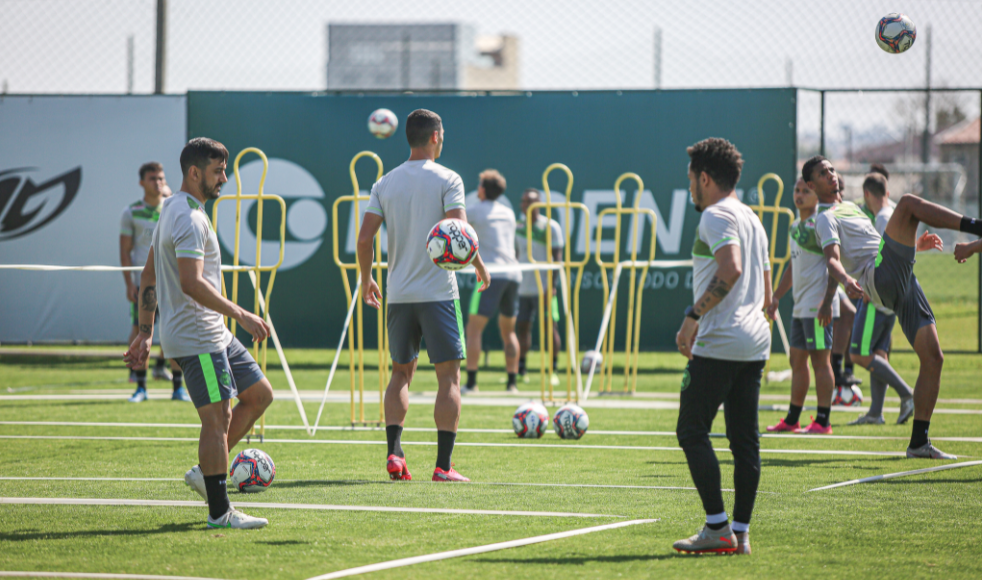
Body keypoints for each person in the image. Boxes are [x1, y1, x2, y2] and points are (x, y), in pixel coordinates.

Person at [125, 137, 274, 529]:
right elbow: (190, 283)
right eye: (217, 171)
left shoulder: (174, 208)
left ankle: (205, 472)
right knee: (217, 417)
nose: (224, 178)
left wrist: (145, 332)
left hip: (213, 333)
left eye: (224, 169)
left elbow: (149, 275)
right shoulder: (188, 218)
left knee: (259, 395)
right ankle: (220, 511)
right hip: (198, 336)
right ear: (195, 173)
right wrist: (242, 313)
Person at [805, 155, 970, 459]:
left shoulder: (852, 208)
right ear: (811, 185)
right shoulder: (825, 217)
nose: (830, 174)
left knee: (934, 358)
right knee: (907, 202)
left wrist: (911, 246)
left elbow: (876, 244)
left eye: (830, 169)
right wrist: (844, 280)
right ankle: (975, 226)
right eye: (822, 173)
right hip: (880, 278)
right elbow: (832, 259)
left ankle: (919, 442)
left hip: (899, 279)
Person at [358, 109, 491, 483]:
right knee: (448, 377)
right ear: (435, 137)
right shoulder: (449, 178)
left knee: (400, 373)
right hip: (437, 293)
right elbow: (459, 231)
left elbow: (365, 238)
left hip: (398, 294)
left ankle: (395, 456)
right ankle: (444, 467)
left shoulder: (385, 182)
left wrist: (367, 278)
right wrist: (479, 265)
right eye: (442, 133)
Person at [673, 138, 770, 555]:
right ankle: (741, 534)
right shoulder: (752, 218)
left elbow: (731, 269)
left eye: (692, 178)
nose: (690, 185)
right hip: (755, 342)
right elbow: (767, 294)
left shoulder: (715, 215)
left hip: (721, 340)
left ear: (705, 178)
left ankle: (717, 527)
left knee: (691, 431)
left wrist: (693, 316)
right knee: (744, 441)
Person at [766, 178, 838, 434]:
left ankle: (823, 421)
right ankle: (793, 418)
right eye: (796, 190)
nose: (799, 195)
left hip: (818, 305)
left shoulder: (822, 222)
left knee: (820, 361)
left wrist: (827, 302)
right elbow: (793, 266)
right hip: (800, 305)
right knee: (797, 360)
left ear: (817, 195)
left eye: (805, 191)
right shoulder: (796, 225)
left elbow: (834, 262)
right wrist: (776, 296)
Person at [849, 172, 915, 425]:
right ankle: (876, 412)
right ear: (886, 192)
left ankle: (907, 393)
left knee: (858, 353)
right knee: (878, 353)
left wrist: (867, 287)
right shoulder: (897, 213)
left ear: (867, 195)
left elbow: (880, 257)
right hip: (893, 297)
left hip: (876, 297)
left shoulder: (881, 219)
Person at [120, 162, 186, 402]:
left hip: (171, 285)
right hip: (144, 285)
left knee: (175, 331)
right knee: (139, 331)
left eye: (161, 178)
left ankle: (178, 388)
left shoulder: (172, 208)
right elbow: (125, 250)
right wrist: (129, 282)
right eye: (152, 179)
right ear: (141, 183)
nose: (158, 183)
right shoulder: (131, 212)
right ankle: (140, 388)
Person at [463, 170, 522, 394]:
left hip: (491, 274)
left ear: (484, 190)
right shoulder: (507, 212)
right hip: (514, 274)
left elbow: (456, 229)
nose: (477, 188)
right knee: (509, 331)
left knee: (474, 329)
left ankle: (470, 383)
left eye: (479, 185)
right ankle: (512, 384)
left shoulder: (476, 210)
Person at [515, 188, 563, 385]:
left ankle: (553, 370)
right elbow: (515, 255)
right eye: (524, 202)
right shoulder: (517, 226)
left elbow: (557, 258)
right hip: (522, 287)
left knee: (550, 327)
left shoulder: (551, 227)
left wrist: (552, 286)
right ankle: (521, 369)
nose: (527, 205)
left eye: (531, 201)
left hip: (543, 287)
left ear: (539, 204)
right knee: (522, 328)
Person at [831, 173, 860, 390]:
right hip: (828, 277)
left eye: (840, 190)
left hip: (846, 278)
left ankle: (843, 370)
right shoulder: (824, 215)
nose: (839, 194)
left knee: (850, 314)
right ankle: (835, 369)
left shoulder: (846, 210)